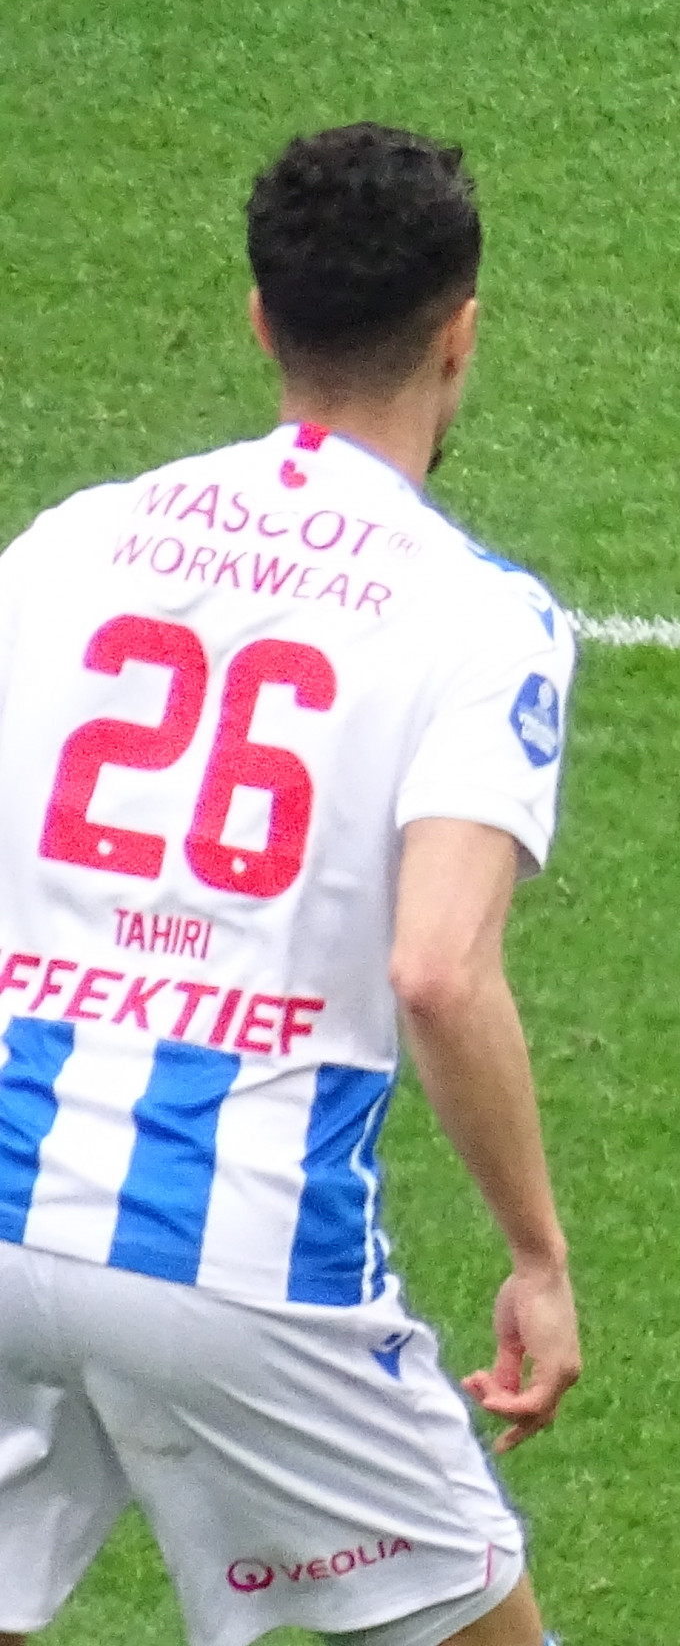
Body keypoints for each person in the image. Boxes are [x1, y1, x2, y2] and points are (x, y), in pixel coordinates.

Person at [0, 125, 581, 1645]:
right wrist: (537, 1254)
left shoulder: (67, 548)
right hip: (244, 1251)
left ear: (261, 320)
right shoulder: (482, 619)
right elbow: (440, 971)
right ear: (460, 335)